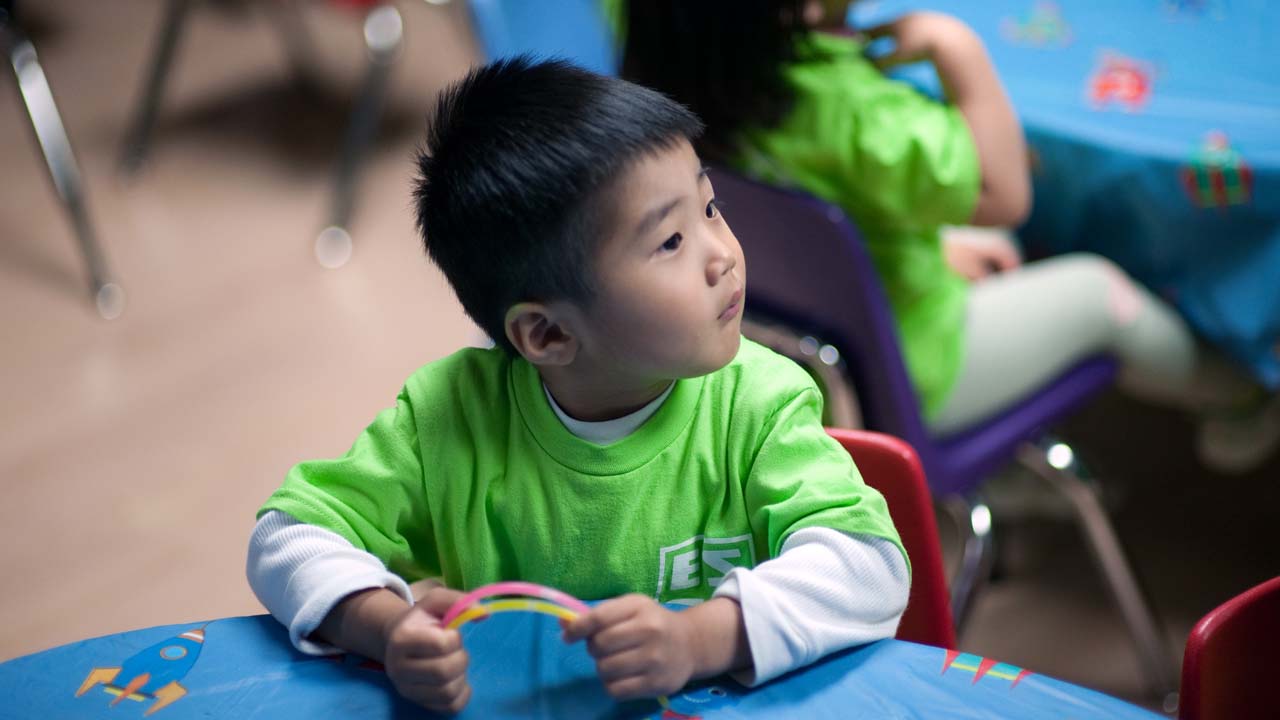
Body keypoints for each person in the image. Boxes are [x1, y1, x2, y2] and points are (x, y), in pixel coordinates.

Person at [246, 57, 910, 714]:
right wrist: (388, 627)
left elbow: (871, 565)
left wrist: (701, 638)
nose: (722, 255)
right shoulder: (449, 419)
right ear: (548, 334)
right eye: (671, 241)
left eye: (710, 206)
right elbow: (287, 535)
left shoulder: (759, 404)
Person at [621, 0, 1279, 472]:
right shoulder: (848, 111)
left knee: (975, 228)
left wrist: (934, 246)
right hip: (910, 370)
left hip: (801, 343)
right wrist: (956, 50)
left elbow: (839, 200)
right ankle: (1246, 395)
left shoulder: (665, 94)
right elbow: (1004, 191)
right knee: (1100, 290)